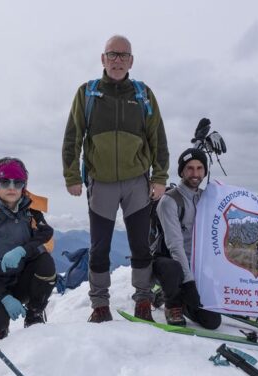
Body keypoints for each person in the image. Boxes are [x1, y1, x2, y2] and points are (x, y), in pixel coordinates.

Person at [61, 34, 169, 323]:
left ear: (131, 60)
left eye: (123, 55)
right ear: (103, 59)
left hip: (137, 181)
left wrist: (159, 177)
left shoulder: (143, 94)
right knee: (99, 247)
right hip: (102, 181)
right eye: (112, 54)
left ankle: (143, 300)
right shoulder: (88, 93)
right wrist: (72, 175)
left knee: (140, 245)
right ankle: (99, 304)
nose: (117, 60)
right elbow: (73, 135)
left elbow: (157, 137)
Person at [0, 158, 56, 341]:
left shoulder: (31, 211)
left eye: (18, 182)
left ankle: (34, 314)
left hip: (22, 279)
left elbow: (46, 234)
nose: (12, 187)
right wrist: (4, 297)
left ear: (24, 185)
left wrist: (22, 251)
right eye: (5, 182)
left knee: (45, 263)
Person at [152, 148, 222, 329]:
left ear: (205, 171)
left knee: (212, 321)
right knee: (173, 268)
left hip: (195, 263)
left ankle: (179, 298)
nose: (195, 173)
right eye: (190, 168)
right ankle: (172, 304)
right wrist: (189, 282)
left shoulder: (205, 198)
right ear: (182, 171)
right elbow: (175, 246)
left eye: (200, 168)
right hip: (167, 260)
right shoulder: (170, 201)